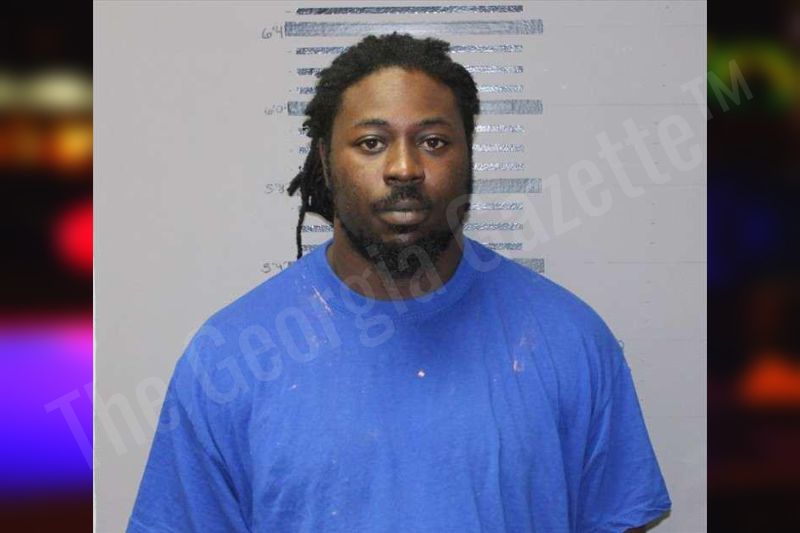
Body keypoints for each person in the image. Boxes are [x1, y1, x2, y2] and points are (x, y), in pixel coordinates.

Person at [127, 33, 671, 532]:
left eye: (433, 141)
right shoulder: (228, 358)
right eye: (371, 143)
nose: (404, 168)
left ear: (468, 155)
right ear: (325, 160)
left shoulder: (569, 339)